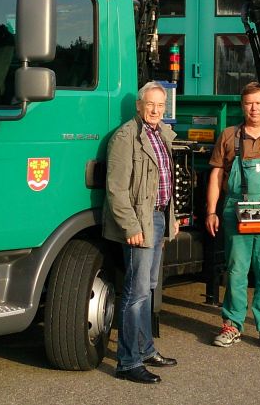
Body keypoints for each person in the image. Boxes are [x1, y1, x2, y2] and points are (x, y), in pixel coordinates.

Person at [205, 81, 260, 349]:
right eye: (248, 103)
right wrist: (212, 210)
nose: (253, 108)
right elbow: (216, 175)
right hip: (235, 210)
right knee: (236, 271)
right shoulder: (229, 136)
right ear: (242, 106)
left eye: (258, 103)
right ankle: (232, 325)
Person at [104, 81, 179, 384]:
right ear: (139, 105)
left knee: (148, 287)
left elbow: (167, 181)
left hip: (159, 218)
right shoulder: (125, 138)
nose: (155, 110)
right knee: (135, 293)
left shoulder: (162, 135)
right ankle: (127, 362)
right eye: (150, 105)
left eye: (160, 106)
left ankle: (146, 349)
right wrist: (131, 227)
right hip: (140, 222)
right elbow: (116, 189)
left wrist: (171, 219)